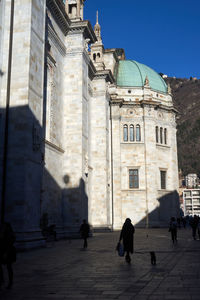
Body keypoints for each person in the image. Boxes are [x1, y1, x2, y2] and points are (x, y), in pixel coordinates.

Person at [0, 222, 16, 289]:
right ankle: (2, 280)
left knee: (9, 267)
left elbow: (10, 243)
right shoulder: (3, 233)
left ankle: (10, 282)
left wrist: (6, 253)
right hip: (2, 251)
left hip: (8, 252)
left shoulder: (9, 234)